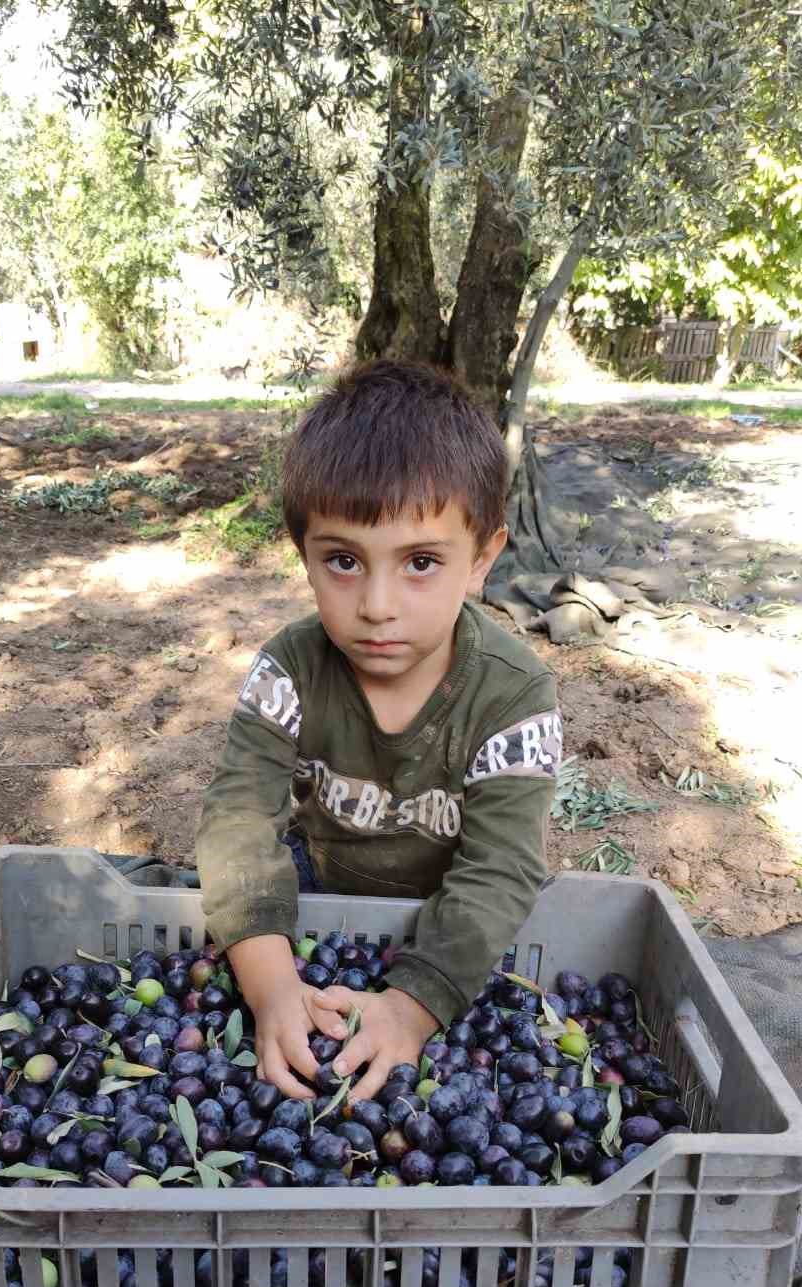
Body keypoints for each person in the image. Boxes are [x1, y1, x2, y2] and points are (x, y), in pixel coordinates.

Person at [196, 358, 562, 1103]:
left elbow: (497, 873)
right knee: (221, 929)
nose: (377, 604)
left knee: (490, 942)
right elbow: (238, 822)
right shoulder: (289, 669)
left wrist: (410, 1008)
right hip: (317, 889)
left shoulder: (513, 694)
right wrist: (272, 991)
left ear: (481, 560)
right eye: (342, 561)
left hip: (447, 916)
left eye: (421, 562)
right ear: (303, 557)